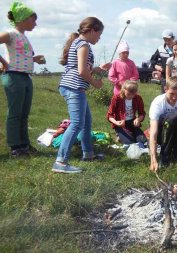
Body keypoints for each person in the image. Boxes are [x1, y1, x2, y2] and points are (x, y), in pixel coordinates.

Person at [52, 17, 110, 174]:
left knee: (86, 122)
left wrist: (98, 69)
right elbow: (81, 71)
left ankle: (88, 154)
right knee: (77, 123)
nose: (99, 37)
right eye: (99, 33)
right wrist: (95, 83)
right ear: (92, 30)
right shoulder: (83, 44)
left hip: (74, 87)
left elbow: (84, 67)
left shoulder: (80, 43)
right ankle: (61, 161)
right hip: (73, 88)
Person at [0, 1, 46, 157]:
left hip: (25, 77)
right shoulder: (10, 33)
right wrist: (3, 62)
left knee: (24, 113)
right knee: (15, 113)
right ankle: (15, 146)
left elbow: (20, 55)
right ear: (23, 18)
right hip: (13, 77)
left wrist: (34, 59)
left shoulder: (23, 37)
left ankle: (24, 144)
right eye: (33, 20)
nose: (35, 24)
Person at [107, 80, 146, 145]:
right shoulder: (117, 98)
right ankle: (120, 134)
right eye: (128, 94)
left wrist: (138, 119)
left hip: (132, 123)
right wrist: (116, 122)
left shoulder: (138, 98)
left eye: (133, 94)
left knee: (142, 141)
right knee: (130, 143)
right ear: (124, 90)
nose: (130, 96)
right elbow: (109, 115)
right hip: (121, 124)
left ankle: (128, 134)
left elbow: (142, 113)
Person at [150, 29, 174, 93]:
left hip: (176, 77)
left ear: (173, 38)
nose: (167, 41)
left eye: (169, 40)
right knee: (165, 95)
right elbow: (152, 60)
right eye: (165, 40)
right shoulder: (160, 49)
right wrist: (156, 66)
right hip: (164, 77)